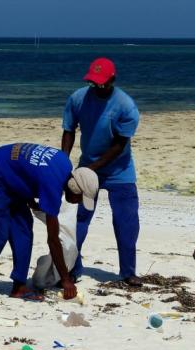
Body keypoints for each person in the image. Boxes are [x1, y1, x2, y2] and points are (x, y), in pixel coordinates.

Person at [0, 143, 98, 300]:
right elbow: (53, 240)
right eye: (80, 198)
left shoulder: (64, 165)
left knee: (23, 230)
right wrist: (66, 280)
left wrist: (29, 197)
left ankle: (19, 286)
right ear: (74, 187)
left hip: (11, 177)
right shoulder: (52, 185)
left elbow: (28, 169)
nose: (78, 203)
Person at [61, 57, 142, 286]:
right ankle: (73, 267)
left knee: (126, 221)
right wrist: (63, 163)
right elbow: (69, 130)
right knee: (79, 220)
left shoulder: (126, 106)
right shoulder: (78, 98)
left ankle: (128, 271)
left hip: (120, 171)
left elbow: (119, 145)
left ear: (113, 79)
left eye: (102, 82)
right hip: (87, 165)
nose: (98, 86)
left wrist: (90, 169)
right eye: (93, 82)